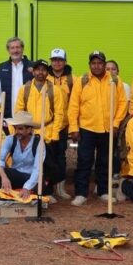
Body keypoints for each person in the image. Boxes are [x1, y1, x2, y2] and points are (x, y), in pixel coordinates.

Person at [68, 51, 127, 206]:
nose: (96, 66)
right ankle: (81, 193)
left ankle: (104, 191)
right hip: (87, 128)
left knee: (105, 162)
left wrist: (116, 123)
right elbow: (73, 105)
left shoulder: (115, 80)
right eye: (93, 63)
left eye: (99, 63)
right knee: (84, 161)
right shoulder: (82, 81)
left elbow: (122, 103)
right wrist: (74, 128)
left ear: (104, 64)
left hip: (108, 129)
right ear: (90, 65)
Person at [14, 59, 64, 189]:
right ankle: (31, 188)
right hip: (29, 133)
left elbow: (59, 114)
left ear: (47, 72)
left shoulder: (55, 90)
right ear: (33, 71)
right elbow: (18, 111)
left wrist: (55, 134)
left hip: (47, 131)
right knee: (31, 163)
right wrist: (22, 131)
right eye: (37, 69)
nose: (40, 72)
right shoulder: (24, 89)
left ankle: (48, 191)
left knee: (48, 164)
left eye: (43, 70)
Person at [0, 111, 46, 196]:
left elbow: (37, 169)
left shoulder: (39, 144)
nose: (16, 131)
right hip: (16, 174)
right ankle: (2, 196)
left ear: (29, 130)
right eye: (15, 128)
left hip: (31, 176)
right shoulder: (10, 139)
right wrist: (4, 177)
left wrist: (27, 187)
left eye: (20, 129)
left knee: (39, 185)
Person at [47, 47, 74, 199]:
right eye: (54, 60)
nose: (57, 63)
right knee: (47, 157)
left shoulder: (72, 80)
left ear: (65, 61)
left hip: (63, 125)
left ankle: (60, 187)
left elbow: (75, 103)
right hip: (47, 125)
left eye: (60, 60)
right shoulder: (44, 78)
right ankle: (48, 188)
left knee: (60, 157)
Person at [0, 37, 33, 119]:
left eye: (18, 47)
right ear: (8, 50)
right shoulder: (2, 67)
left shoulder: (32, 66)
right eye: (12, 48)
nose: (15, 50)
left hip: (28, 113)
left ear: (22, 49)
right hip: (8, 114)